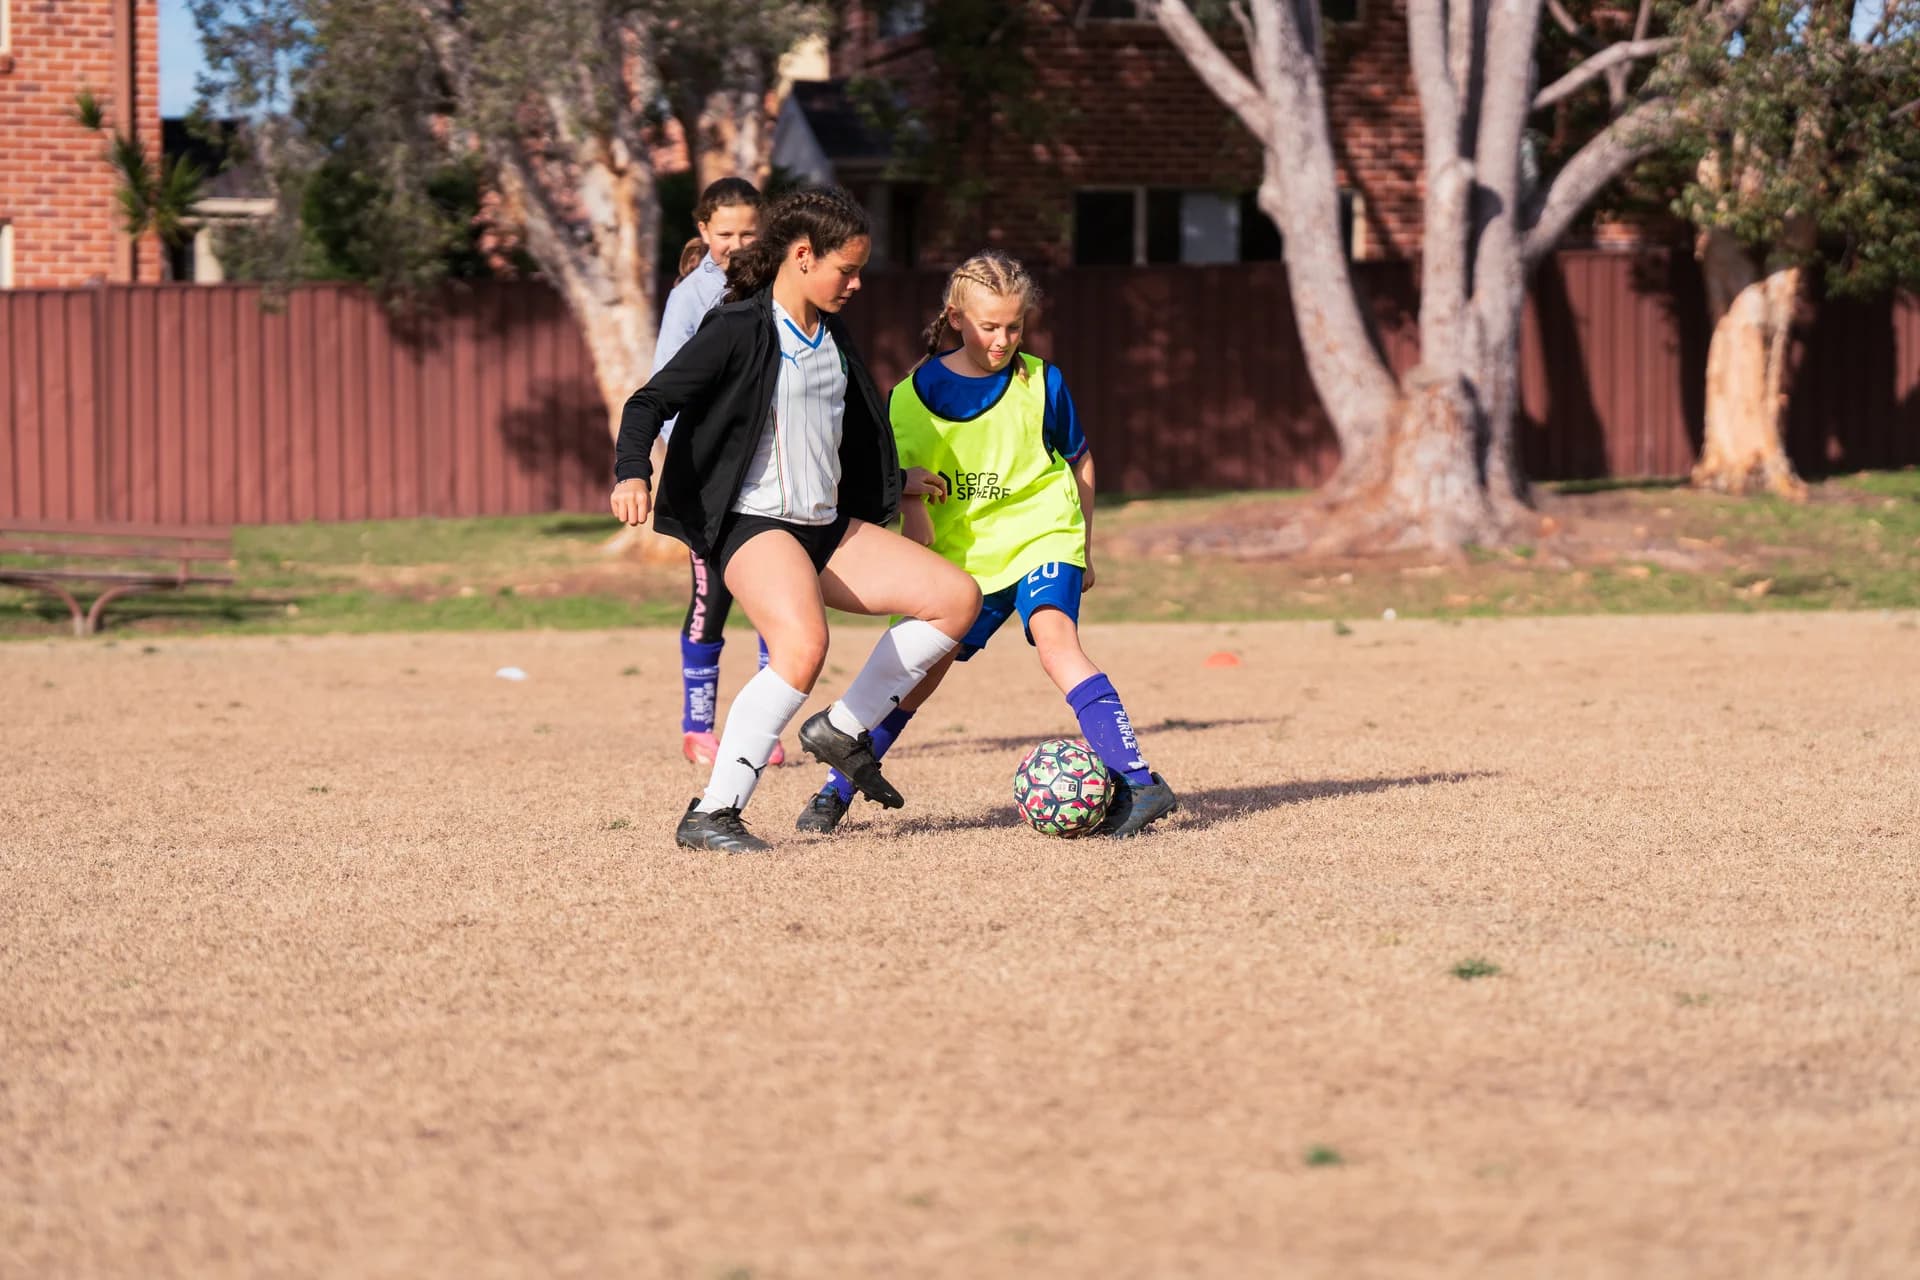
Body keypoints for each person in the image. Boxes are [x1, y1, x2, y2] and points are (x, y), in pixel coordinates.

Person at [613, 187, 982, 854]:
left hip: (824, 525)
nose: (858, 283)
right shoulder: (738, 327)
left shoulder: (831, 333)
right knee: (803, 648)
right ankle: (713, 812)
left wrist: (896, 485)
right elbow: (648, 402)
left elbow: (849, 434)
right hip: (754, 525)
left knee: (956, 600)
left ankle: (843, 729)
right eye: (849, 268)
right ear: (804, 256)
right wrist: (632, 471)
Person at [795, 250, 1178, 839]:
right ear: (955, 318)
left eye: (1015, 326)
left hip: (1041, 535)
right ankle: (834, 792)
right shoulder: (906, 401)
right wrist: (909, 496)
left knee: (1056, 642)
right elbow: (904, 516)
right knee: (912, 675)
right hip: (960, 566)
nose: (1003, 340)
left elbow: (1081, 462)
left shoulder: (1042, 382)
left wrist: (1083, 545)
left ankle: (1142, 783)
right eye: (989, 326)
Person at [651, 179, 784, 767]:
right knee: (712, 599)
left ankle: (763, 727)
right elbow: (663, 395)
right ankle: (697, 728)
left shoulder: (781, 286)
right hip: (709, 484)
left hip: (771, 478)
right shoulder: (689, 299)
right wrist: (697, 464)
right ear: (703, 231)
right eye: (724, 233)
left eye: (748, 232)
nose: (735, 244)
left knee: (775, 604)